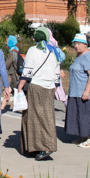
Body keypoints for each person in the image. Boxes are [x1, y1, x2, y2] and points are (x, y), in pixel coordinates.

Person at [17, 28, 62, 160]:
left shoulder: (33, 50)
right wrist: (55, 87)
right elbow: (57, 71)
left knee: (33, 117)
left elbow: (28, 69)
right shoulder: (54, 51)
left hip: (36, 86)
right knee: (47, 116)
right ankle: (40, 146)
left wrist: (20, 86)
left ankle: (42, 146)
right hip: (49, 88)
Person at [65, 33, 90, 147]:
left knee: (86, 115)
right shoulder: (78, 55)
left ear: (85, 45)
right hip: (76, 92)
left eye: (78, 43)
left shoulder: (88, 55)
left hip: (85, 93)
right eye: (74, 43)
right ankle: (84, 136)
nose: (76, 46)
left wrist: (87, 91)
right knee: (79, 115)